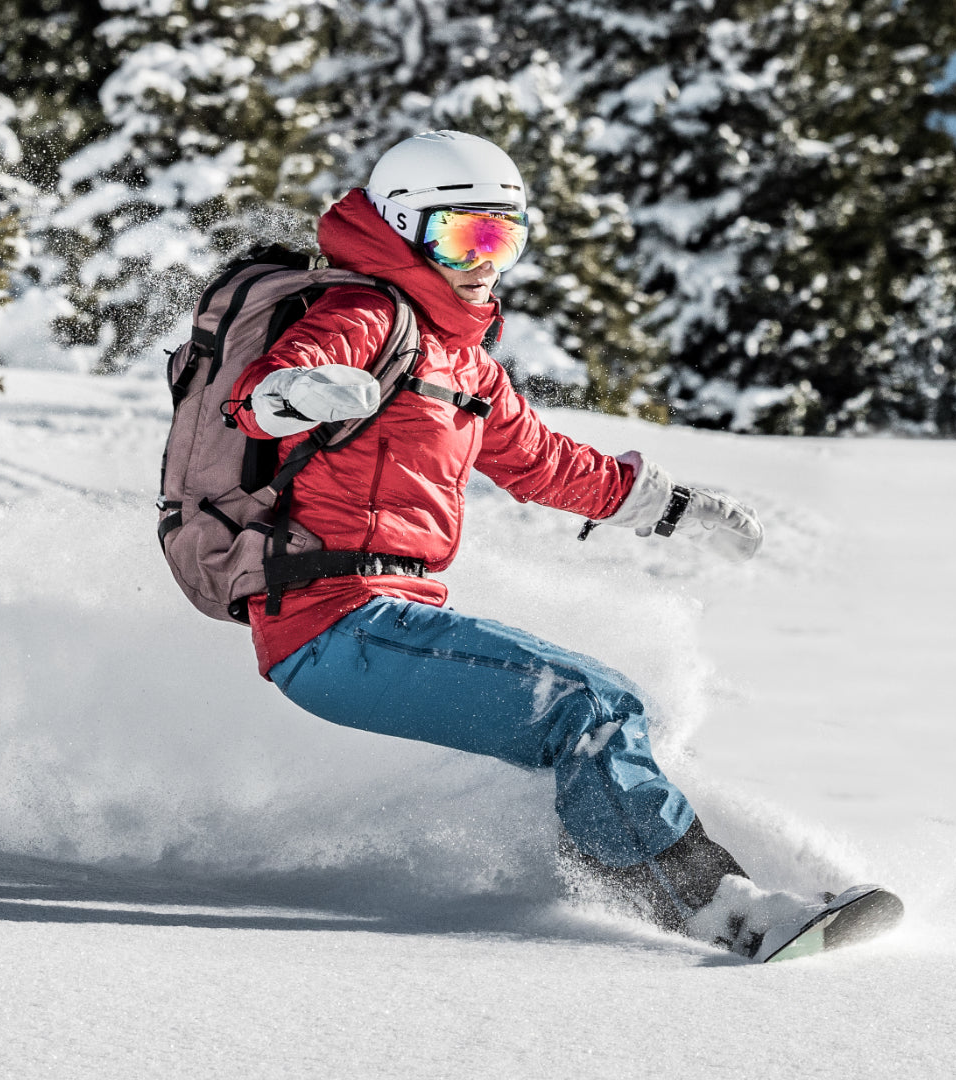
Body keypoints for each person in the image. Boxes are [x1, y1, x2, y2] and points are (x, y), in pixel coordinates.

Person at [228, 130, 811, 957]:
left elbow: (545, 465)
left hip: (387, 616)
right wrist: (299, 392)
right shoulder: (364, 313)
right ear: (404, 226)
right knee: (587, 704)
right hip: (332, 620)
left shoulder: (465, 364)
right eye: (465, 235)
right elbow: (263, 396)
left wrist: (674, 507)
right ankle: (710, 906)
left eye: (505, 237)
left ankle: (627, 872)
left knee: (600, 702)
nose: (486, 261)